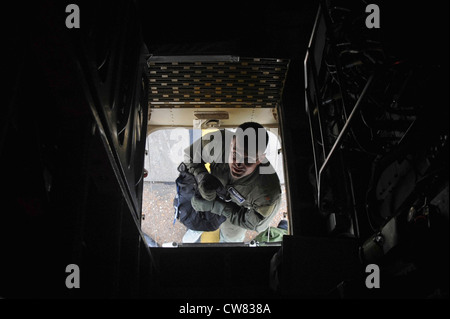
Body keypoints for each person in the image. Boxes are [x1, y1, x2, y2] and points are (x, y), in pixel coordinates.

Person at [182, 122, 281, 243]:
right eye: (235, 154)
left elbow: (254, 223)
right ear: (231, 143)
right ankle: (196, 229)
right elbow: (190, 156)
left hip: (236, 214)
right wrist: (201, 176)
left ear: (260, 158)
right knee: (197, 220)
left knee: (231, 239)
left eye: (248, 159)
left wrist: (219, 207)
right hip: (209, 192)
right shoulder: (217, 142)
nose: (238, 164)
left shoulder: (267, 193)